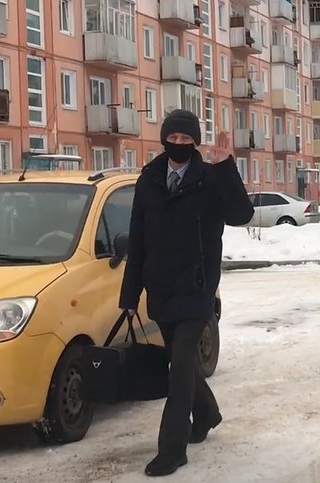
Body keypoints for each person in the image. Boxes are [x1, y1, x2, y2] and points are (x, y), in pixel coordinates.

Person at [119, 109, 255, 477]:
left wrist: (227, 167)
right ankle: (207, 414)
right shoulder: (148, 179)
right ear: (164, 140)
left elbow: (242, 214)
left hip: (196, 288)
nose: (178, 145)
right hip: (160, 291)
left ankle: (172, 449)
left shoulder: (209, 179)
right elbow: (139, 238)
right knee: (184, 365)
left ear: (195, 142)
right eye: (173, 139)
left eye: (186, 140)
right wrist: (130, 296)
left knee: (178, 366)